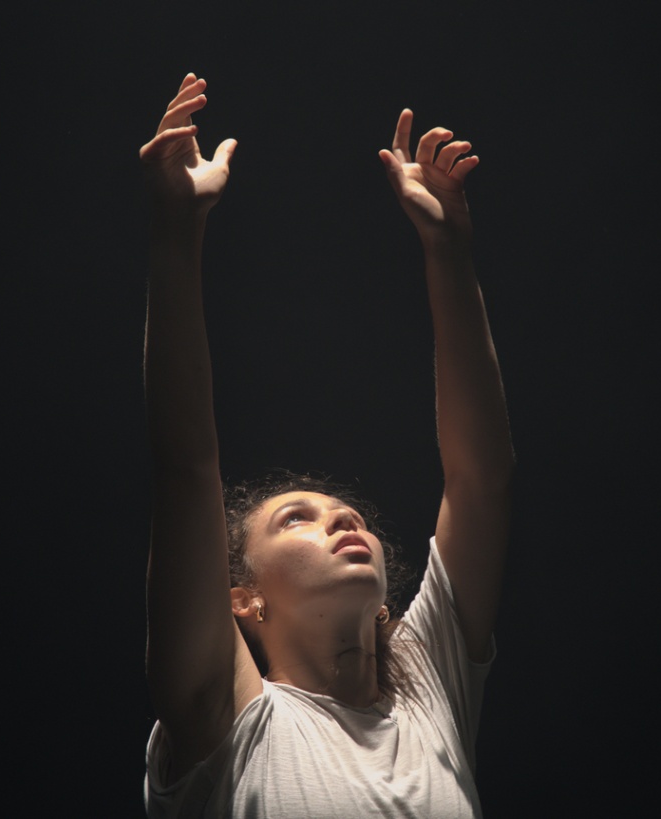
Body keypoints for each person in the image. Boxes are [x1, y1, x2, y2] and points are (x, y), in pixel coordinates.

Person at [140, 72, 514, 818]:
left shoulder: (428, 690)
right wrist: (176, 235)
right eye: (296, 519)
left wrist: (449, 253)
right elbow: (185, 467)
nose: (346, 521)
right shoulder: (231, 719)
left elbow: (481, 478)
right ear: (241, 597)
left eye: (346, 513)